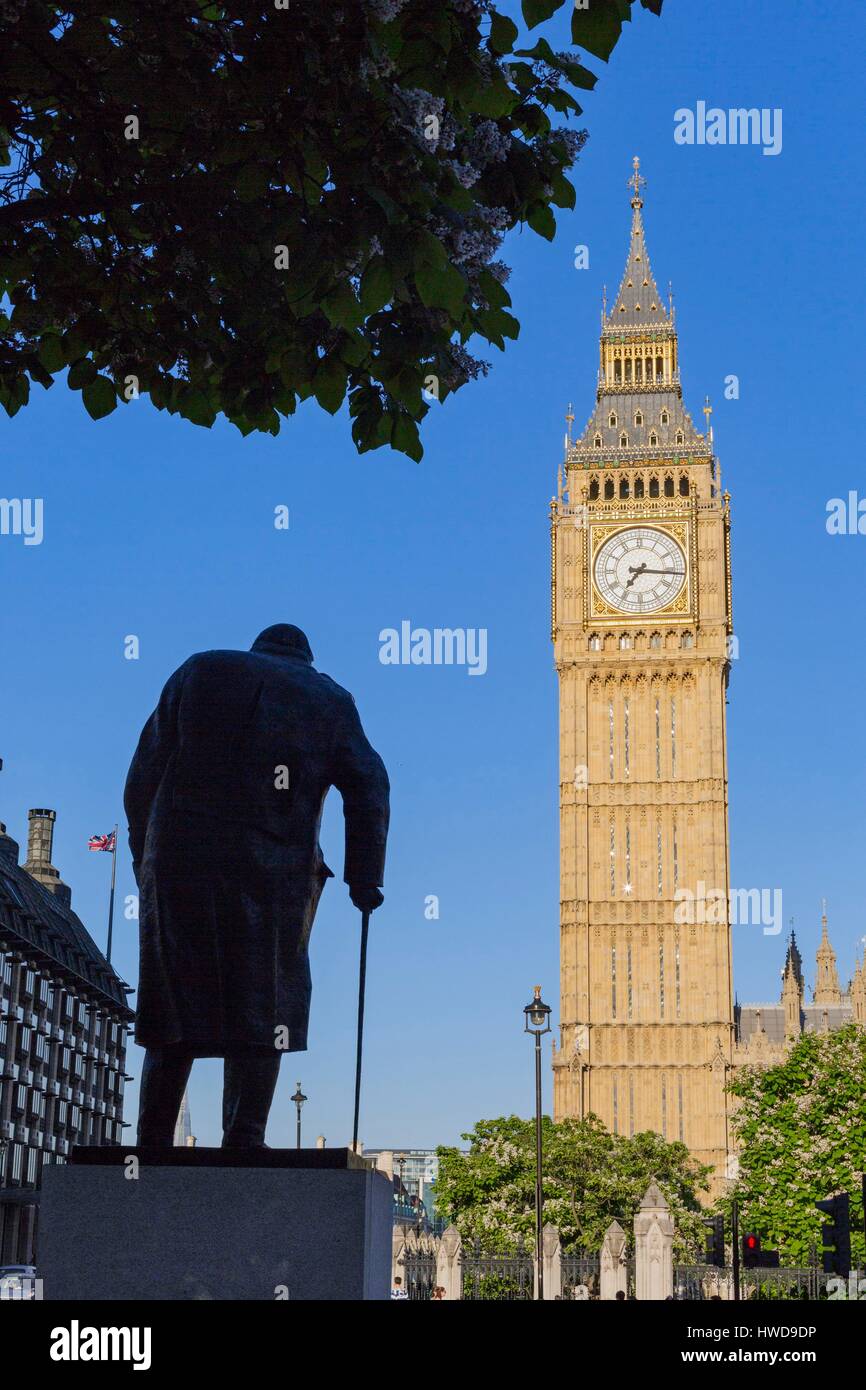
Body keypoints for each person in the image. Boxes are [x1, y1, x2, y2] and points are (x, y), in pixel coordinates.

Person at [125, 623, 390, 1147]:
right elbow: (370, 784)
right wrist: (365, 878)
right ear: (306, 658)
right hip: (273, 864)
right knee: (268, 993)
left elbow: (142, 774)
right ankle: (244, 1134)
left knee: (174, 994)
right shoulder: (328, 697)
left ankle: (151, 1138)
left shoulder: (200, 668)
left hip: (180, 853)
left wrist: (145, 854)